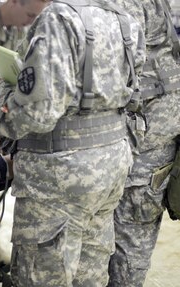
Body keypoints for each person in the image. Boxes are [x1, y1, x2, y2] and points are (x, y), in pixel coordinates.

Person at [0, 0, 145, 285]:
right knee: (89, 273)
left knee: (41, 276)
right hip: (111, 162)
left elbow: (37, 115)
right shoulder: (122, 15)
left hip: (59, 175)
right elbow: (134, 94)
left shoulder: (59, 17)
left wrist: (1, 92)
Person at [107, 0, 180, 286]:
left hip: (137, 137)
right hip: (161, 133)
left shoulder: (129, 4)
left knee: (121, 240)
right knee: (135, 237)